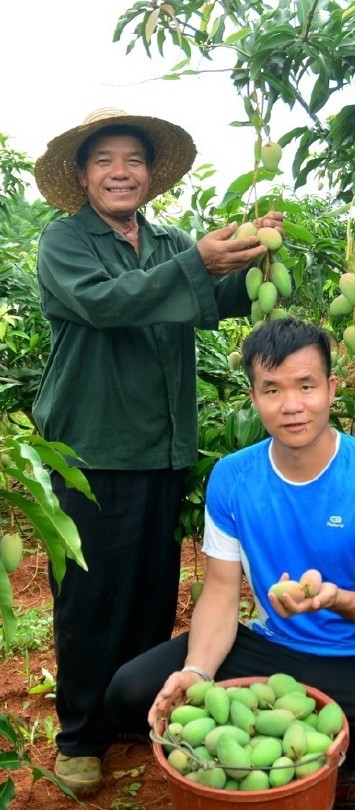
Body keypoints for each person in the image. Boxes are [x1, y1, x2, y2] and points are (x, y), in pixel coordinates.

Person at [105, 317, 355, 804]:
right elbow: (219, 590)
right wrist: (196, 672)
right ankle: (288, 740)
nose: (292, 405)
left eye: (306, 386)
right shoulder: (233, 477)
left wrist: (336, 599)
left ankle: (337, 758)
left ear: (331, 388)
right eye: (272, 389)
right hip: (269, 643)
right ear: (254, 397)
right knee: (129, 692)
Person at [32, 107, 284, 796]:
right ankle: (81, 735)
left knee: (150, 591)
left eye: (133, 160)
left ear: (150, 174)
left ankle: (134, 711)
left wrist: (257, 255)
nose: (121, 171)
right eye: (105, 160)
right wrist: (197, 264)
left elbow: (216, 300)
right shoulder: (65, 243)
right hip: (92, 449)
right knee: (89, 597)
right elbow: (108, 305)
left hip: (163, 445)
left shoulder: (170, 241)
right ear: (82, 175)